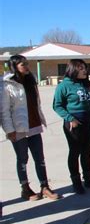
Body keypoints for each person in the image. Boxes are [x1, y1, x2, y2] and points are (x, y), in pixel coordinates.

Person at [1, 55, 60, 201]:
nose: (26, 66)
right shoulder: (6, 85)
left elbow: (36, 104)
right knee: (22, 158)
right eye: (23, 64)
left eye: (27, 63)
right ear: (14, 66)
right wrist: (9, 131)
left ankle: (45, 186)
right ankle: (25, 188)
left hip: (34, 125)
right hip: (18, 128)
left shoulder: (30, 80)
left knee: (39, 158)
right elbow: (4, 110)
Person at [53, 59, 90, 194]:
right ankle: (76, 182)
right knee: (75, 152)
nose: (84, 70)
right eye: (81, 68)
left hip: (89, 123)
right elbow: (57, 106)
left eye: (85, 68)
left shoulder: (86, 84)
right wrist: (70, 119)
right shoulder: (64, 86)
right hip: (74, 124)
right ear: (73, 69)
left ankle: (89, 179)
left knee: (86, 152)